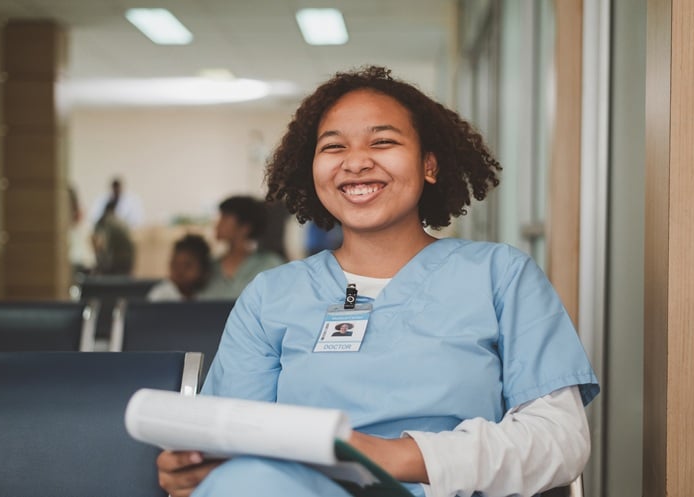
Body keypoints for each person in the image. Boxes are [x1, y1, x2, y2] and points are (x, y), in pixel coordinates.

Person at [156, 66, 599, 497]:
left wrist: (396, 456)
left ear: (429, 164)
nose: (356, 162)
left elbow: (558, 440)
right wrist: (195, 469)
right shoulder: (271, 296)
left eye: (383, 141)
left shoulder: (500, 276)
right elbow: (233, 437)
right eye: (333, 147)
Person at [198, 196, 285, 300]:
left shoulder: (270, 265)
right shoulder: (207, 267)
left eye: (225, 218)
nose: (217, 225)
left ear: (245, 227)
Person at [147, 234, 212, 301]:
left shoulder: (209, 295)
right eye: (175, 265)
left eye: (187, 266)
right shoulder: (161, 295)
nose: (180, 271)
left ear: (204, 270)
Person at [91, 199, 135, 275]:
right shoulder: (118, 221)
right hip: (128, 259)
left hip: (120, 260)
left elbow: (104, 246)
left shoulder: (108, 222)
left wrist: (100, 265)